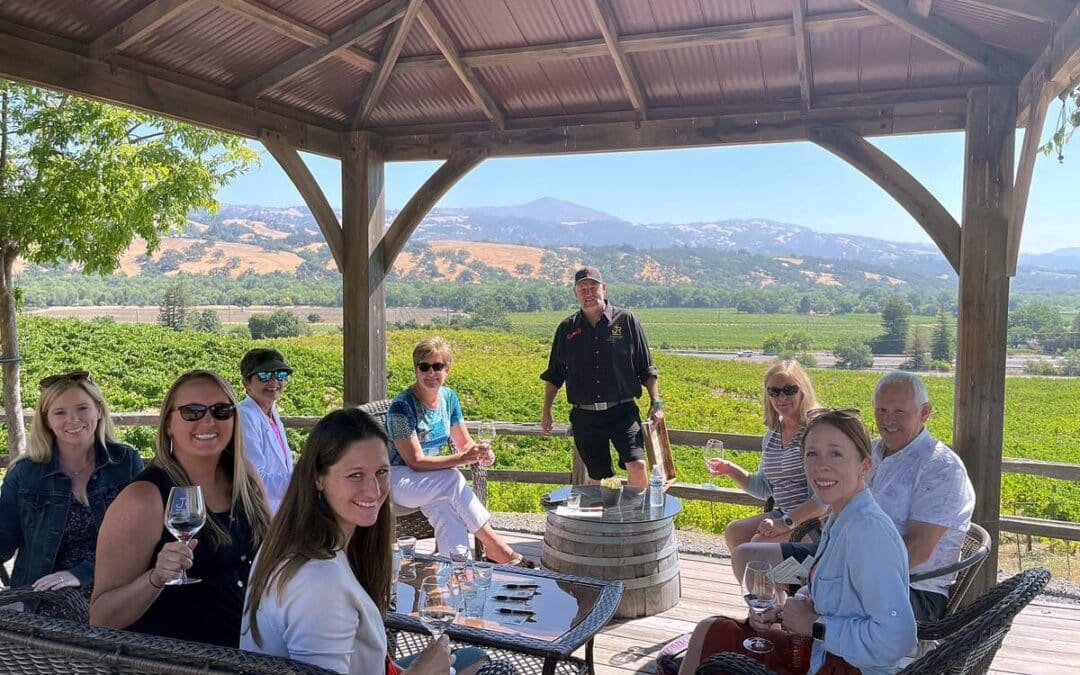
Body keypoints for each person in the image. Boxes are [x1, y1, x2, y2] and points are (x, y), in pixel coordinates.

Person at [241, 408, 489, 675]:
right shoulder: (320, 583)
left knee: (475, 658)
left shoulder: (289, 541)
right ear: (318, 478)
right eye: (355, 475)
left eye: (381, 472)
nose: (373, 490)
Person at [679, 409, 916, 675]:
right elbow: (834, 598)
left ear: (864, 465)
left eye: (836, 453)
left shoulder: (868, 532)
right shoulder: (841, 517)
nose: (821, 465)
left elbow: (897, 639)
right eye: (812, 454)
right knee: (710, 630)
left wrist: (813, 625)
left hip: (846, 667)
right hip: (819, 652)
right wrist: (782, 613)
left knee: (712, 638)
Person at [731, 370, 975, 623]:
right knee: (748, 557)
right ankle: (773, 629)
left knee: (810, 595)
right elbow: (828, 498)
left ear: (924, 412)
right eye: (881, 410)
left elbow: (917, 551)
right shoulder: (871, 451)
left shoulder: (941, 468)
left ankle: (795, 629)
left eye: (899, 411)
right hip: (839, 562)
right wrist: (814, 553)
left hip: (906, 589)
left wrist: (831, 578)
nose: (888, 420)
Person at [90, 370, 269, 647]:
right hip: (178, 662)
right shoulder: (144, 498)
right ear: (169, 424)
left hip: (251, 653)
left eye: (222, 410)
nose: (208, 420)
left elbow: (273, 553)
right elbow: (102, 618)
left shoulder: (244, 478)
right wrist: (156, 577)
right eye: (192, 412)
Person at [386, 337, 533, 567]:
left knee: (447, 513)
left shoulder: (449, 398)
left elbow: (463, 442)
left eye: (438, 366)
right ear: (415, 370)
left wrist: (479, 452)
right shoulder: (402, 407)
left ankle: (455, 577)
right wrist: (463, 458)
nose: (431, 373)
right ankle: (497, 548)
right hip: (397, 478)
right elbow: (414, 461)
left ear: (447, 369)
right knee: (452, 478)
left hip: (430, 480)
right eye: (424, 366)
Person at [0, 371, 143, 603]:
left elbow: (139, 536)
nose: (73, 419)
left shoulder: (125, 462)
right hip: (41, 598)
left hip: (114, 591)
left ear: (98, 410)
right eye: (60, 412)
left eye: (82, 408)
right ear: (47, 419)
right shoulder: (24, 473)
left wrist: (80, 574)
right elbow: (3, 538)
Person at [540, 266, 662, 488]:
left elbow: (646, 367)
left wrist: (656, 402)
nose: (588, 293)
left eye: (593, 288)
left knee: (637, 465)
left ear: (603, 288)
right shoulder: (566, 329)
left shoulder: (626, 321)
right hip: (585, 417)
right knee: (598, 477)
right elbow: (555, 374)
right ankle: (602, 520)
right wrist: (546, 411)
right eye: (582, 289)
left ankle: (636, 518)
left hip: (623, 411)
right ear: (575, 293)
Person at [706, 360, 824, 554]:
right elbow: (764, 487)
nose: (782, 397)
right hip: (784, 514)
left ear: (803, 390)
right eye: (774, 392)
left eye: (789, 390)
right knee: (734, 533)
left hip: (815, 521)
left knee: (759, 544)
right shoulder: (773, 433)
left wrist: (784, 523)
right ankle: (765, 584)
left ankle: (778, 584)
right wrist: (729, 468)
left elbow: (824, 500)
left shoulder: (815, 431)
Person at [237, 348, 294, 514]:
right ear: (246, 383)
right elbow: (256, 482)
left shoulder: (271, 413)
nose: (274, 382)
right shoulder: (244, 416)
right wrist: (305, 477)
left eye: (280, 375)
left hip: (280, 512)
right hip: (259, 514)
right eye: (264, 375)